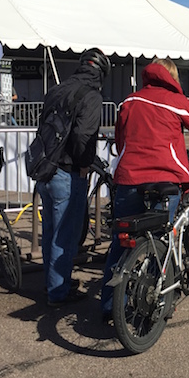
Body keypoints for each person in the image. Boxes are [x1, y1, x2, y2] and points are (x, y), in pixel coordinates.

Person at [100, 58, 189, 322]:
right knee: (162, 241)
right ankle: (160, 299)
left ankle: (109, 305)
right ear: (172, 77)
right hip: (164, 178)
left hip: (129, 177)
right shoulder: (175, 100)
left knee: (121, 243)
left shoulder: (130, 101)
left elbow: (121, 140)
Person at [38, 49, 110, 307]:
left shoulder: (57, 90)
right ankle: (58, 292)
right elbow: (83, 136)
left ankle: (52, 283)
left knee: (49, 233)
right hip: (67, 173)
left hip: (46, 169)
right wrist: (84, 164)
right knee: (65, 236)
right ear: (101, 73)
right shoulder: (91, 95)